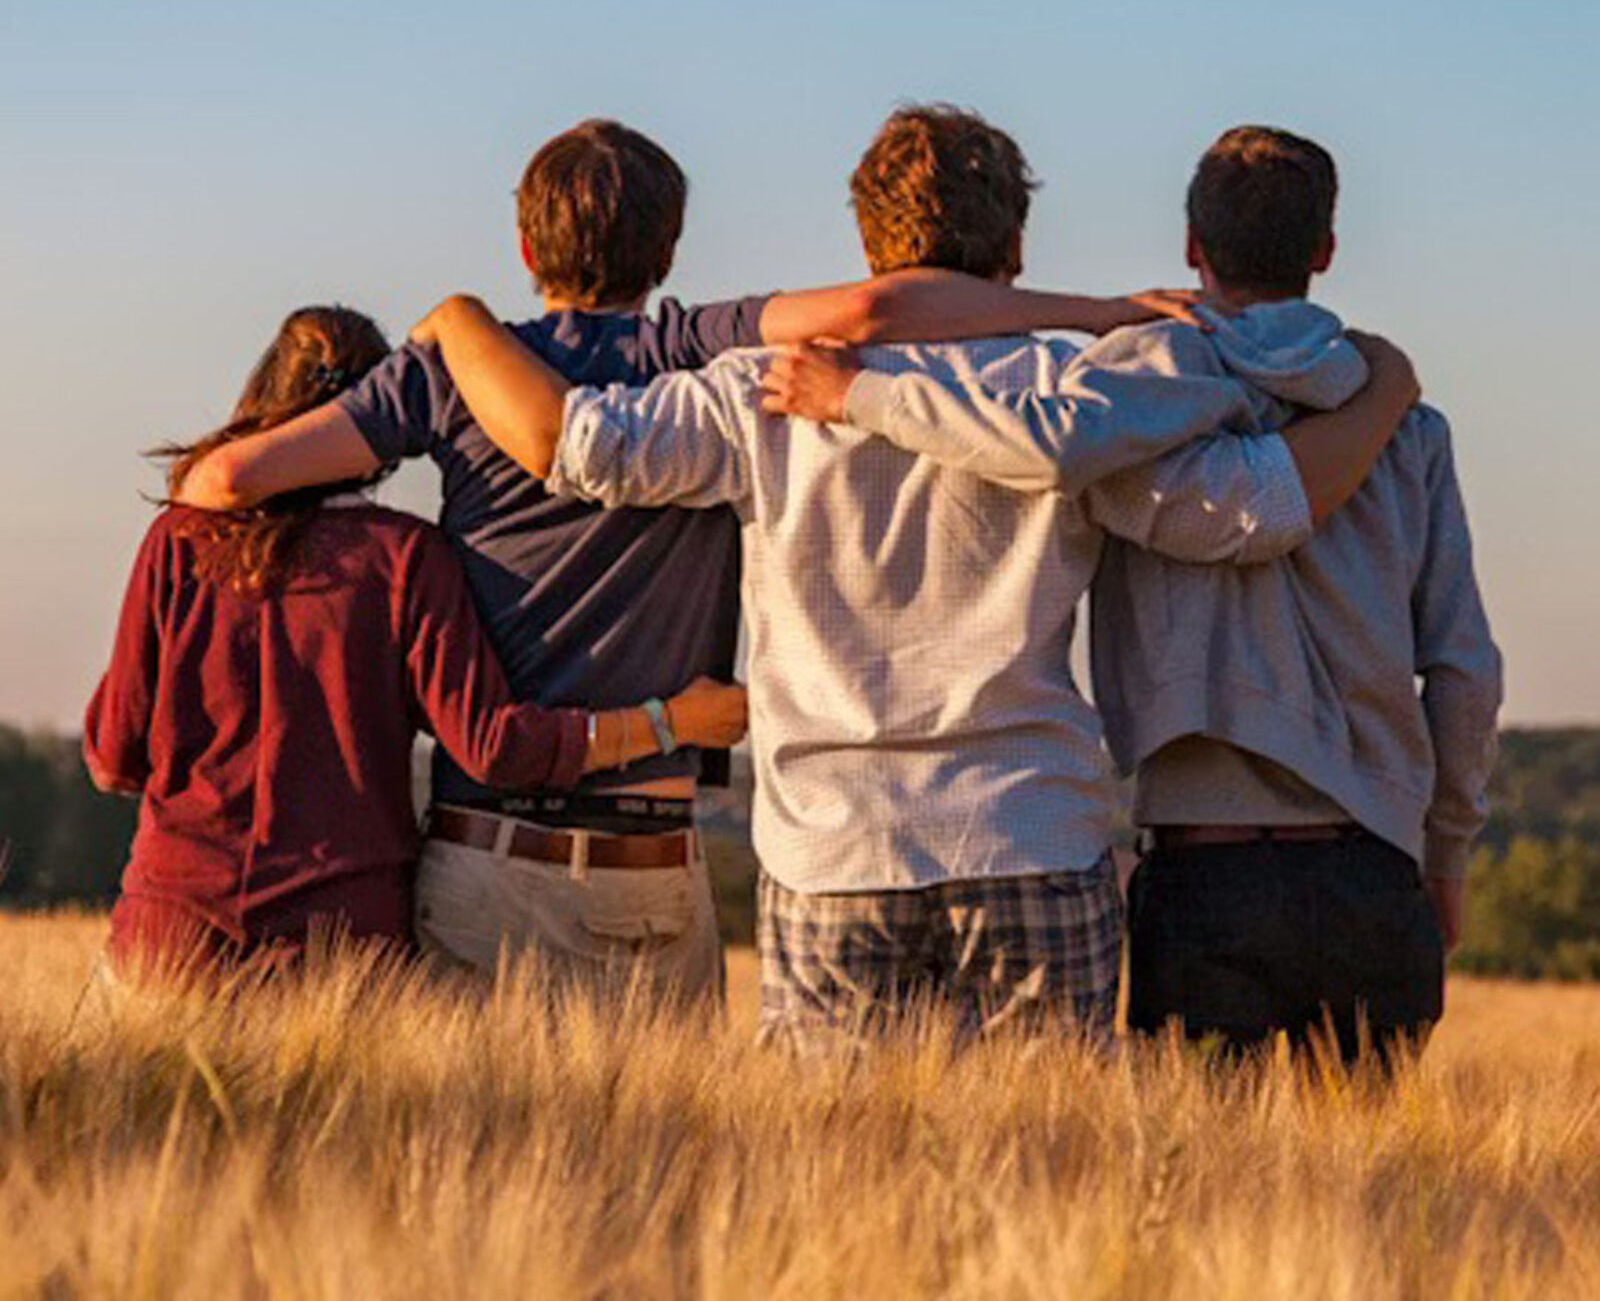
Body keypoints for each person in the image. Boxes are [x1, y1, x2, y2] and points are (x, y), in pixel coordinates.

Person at [409, 104, 1420, 1053]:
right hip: (1032, 832)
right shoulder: (1075, 389)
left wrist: (459, 322)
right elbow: (1244, 514)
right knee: (1047, 1183)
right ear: (1013, 250)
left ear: (867, 246)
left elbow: (579, 447)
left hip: (832, 849)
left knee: (836, 1189)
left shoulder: (757, 389)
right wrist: (1381, 394)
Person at [172, 118, 1204, 1002]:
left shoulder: (451, 372)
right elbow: (874, 312)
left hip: (488, 851)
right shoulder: (695, 348)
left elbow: (223, 484)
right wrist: (1098, 312)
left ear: (524, 247)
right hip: (659, 862)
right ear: (667, 251)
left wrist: (433, 371)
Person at [765, 125, 1501, 1063]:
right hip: (1376, 870)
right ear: (1324, 251)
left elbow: (1045, 448)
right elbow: (1467, 671)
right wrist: (1446, 853)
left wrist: (862, 395)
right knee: (1372, 1201)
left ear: (1193, 247)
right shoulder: (1406, 425)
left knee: (1192, 1197)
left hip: (1205, 877)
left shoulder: (1126, 403)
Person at [85, 305, 747, 983]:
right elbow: (495, 747)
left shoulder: (178, 542)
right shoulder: (405, 558)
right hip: (342, 946)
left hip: (171, 935)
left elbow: (114, 758)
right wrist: (672, 722)